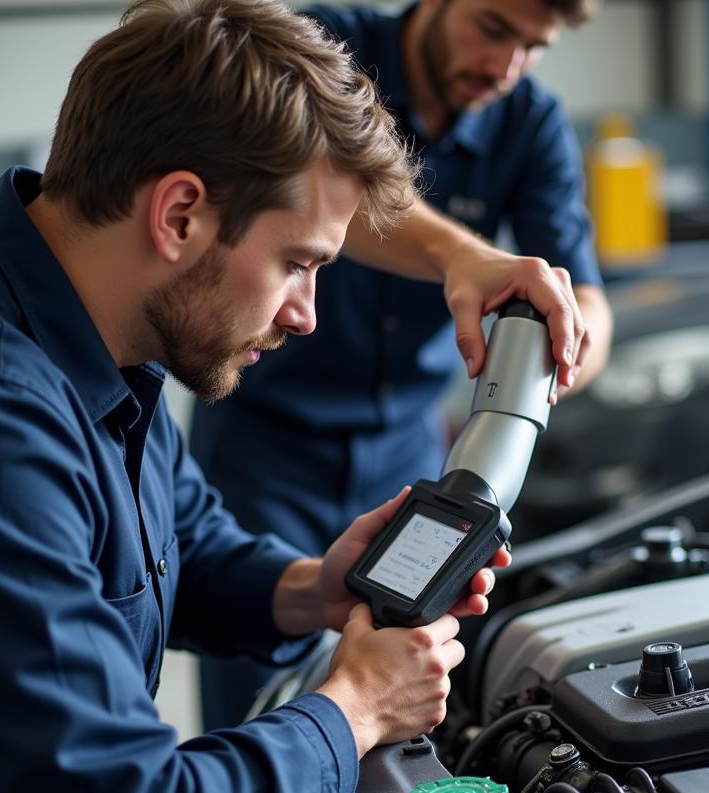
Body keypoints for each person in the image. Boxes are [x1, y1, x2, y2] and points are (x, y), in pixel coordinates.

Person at [0, 1, 591, 793]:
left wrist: (315, 588)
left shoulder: (81, 328)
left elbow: (179, 539)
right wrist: (353, 709)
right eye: (300, 263)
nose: (306, 314)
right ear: (179, 213)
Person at [190, 0, 613, 729]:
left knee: (401, 701)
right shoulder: (324, 52)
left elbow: (586, 300)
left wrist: (557, 352)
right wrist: (466, 255)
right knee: (256, 709)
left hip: (408, 459)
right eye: (492, 29)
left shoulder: (530, 124)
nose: (504, 67)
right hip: (266, 449)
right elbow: (327, 191)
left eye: (532, 48)